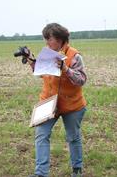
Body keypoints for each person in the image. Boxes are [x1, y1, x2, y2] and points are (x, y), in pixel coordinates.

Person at [27, 23, 87, 177]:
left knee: (73, 137)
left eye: (50, 39)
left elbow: (81, 80)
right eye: (45, 40)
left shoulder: (74, 56)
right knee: (41, 135)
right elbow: (43, 73)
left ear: (60, 40)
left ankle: (77, 170)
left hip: (72, 105)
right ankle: (41, 174)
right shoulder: (48, 53)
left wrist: (65, 69)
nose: (47, 43)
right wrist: (32, 62)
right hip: (48, 102)